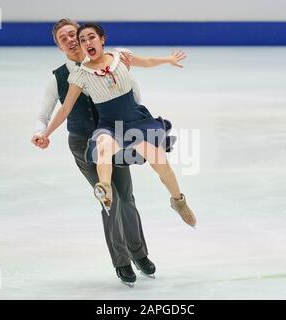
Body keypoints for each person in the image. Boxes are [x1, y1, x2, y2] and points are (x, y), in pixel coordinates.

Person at [32, 19, 186, 286]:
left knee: (126, 197)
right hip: (83, 142)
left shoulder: (112, 61)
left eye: (73, 34)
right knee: (110, 200)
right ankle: (122, 261)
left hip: (116, 135)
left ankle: (139, 254)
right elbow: (47, 113)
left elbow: (133, 94)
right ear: (59, 46)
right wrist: (41, 133)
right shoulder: (59, 77)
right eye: (63, 38)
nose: (70, 40)